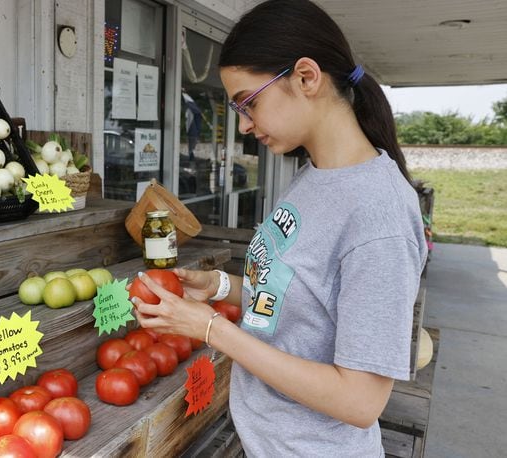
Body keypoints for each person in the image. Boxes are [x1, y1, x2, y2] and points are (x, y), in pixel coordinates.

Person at [131, 0, 428, 456]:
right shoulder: (313, 176)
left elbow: (360, 400)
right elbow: (299, 301)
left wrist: (214, 330)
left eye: (249, 104)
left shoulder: (379, 215)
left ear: (306, 77)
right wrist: (218, 288)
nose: (246, 126)